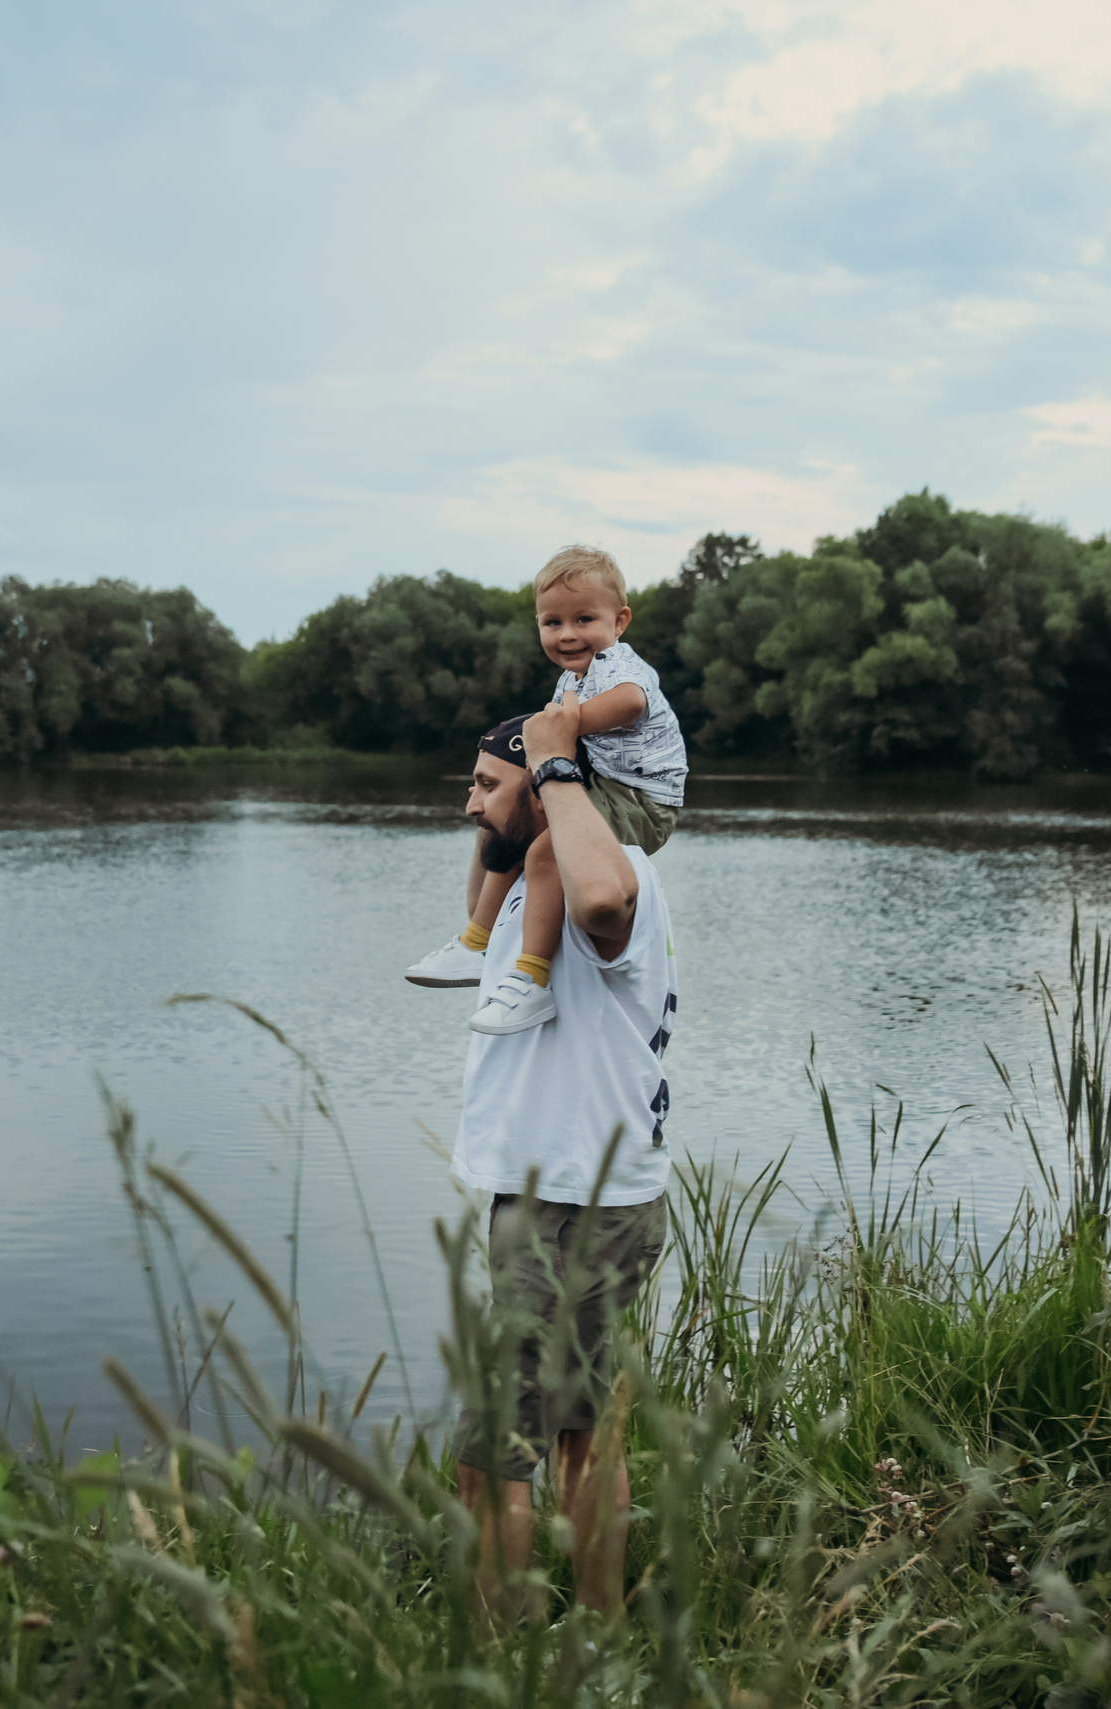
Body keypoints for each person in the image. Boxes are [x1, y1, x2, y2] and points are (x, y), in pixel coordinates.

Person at [447, 693, 679, 1618]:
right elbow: (476, 907)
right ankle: (601, 1632)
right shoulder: (534, 883)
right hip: (568, 1197)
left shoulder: (606, 879)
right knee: (582, 1436)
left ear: (549, 796)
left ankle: (503, 1659)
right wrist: (517, 804)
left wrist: (552, 764)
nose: (467, 803)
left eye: (482, 784)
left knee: (493, 1450)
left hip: (569, 1208)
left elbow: (602, 899)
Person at [404, 546, 687, 1036]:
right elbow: (548, 737)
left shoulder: (620, 666)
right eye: (552, 623)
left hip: (642, 800)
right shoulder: (569, 681)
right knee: (517, 826)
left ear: (619, 622)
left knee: (545, 854)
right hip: (604, 785)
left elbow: (630, 704)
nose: (568, 634)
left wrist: (559, 729)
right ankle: (477, 940)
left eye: (584, 618)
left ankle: (531, 979)